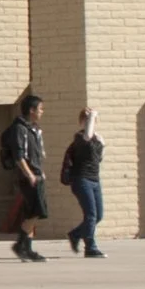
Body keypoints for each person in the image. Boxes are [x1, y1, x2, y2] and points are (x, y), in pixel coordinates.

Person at [0, 89, 48, 262]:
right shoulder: (19, 129)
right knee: (35, 212)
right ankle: (21, 244)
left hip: (36, 174)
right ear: (31, 110)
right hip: (28, 177)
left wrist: (40, 172)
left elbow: (35, 153)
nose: (42, 112)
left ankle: (27, 248)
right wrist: (29, 175)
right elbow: (19, 155)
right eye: (40, 109)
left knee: (33, 213)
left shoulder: (33, 128)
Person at [62, 107, 105, 258]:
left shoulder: (98, 139)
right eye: (86, 119)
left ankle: (75, 234)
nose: (89, 122)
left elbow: (99, 157)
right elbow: (87, 135)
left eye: (91, 120)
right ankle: (90, 248)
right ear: (81, 121)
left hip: (94, 180)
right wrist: (91, 115)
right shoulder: (79, 137)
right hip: (81, 180)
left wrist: (99, 139)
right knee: (91, 215)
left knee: (98, 215)